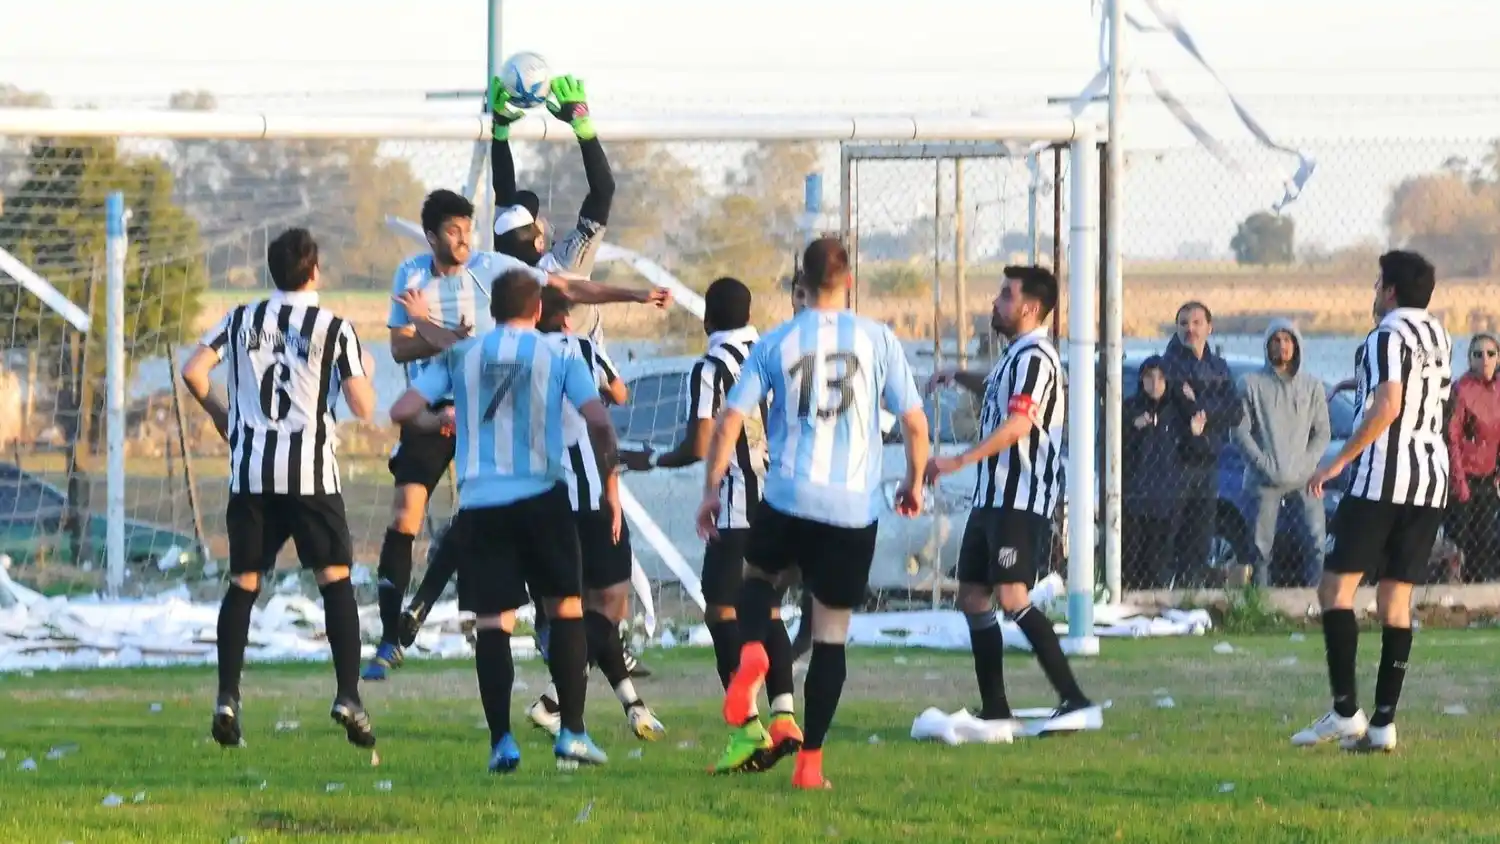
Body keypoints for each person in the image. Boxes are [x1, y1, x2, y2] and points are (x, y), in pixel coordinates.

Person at [364, 188, 666, 681]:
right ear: (431, 236)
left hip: (483, 408)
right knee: (405, 513)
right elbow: (400, 350)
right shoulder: (411, 275)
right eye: (452, 232)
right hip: (432, 408)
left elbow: (568, 288)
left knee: (489, 513)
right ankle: (389, 636)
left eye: (467, 229)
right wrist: (430, 332)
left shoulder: (492, 268)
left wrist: (633, 294)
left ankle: (529, 623)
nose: (462, 240)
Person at [696, 238, 930, 790]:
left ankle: (752, 655)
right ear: (849, 281)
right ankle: (811, 766)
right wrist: (913, 481)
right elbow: (916, 424)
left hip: (788, 496)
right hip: (851, 508)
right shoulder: (877, 339)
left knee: (758, 580)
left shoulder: (777, 341)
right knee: (830, 635)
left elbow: (731, 420)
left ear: (802, 281)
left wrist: (711, 489)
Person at [390, 268, 619, 772]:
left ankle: (502, 743)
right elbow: (599, 418)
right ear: (537, 311)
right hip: (541, 496)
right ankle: (573, 734)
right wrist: (608, 471)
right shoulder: (558, 353)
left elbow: (403, 408)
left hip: (481, 504)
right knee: (565, 611)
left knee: (494, 623)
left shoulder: (461, 354)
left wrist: (441, 420)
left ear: (492, 310)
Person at [180, 228, 378, 750]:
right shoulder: (334, 326)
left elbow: (193, 370)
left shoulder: (242, 317)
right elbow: (362, 406)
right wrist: (362, 372)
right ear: (313, 270)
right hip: (311, 474)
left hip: (251, 474)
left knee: (244, 583)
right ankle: (348, 695)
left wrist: (224, 416)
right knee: (335, 582)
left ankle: (227, 696)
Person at [622, 277, 804, 773]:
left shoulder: (711, 367)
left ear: (706, 319)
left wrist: (651, 457)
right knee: (765, 611)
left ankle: (747, 729)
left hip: (738, 505)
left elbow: (700, 444)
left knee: (721, 609)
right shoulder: (775, 352)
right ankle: (785, 716)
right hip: (785, 500)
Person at [925, 265, 1100, 743]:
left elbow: (1020, 424)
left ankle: (1075, 698)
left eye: (1006, 295)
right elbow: (1002, 393)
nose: (996, 302)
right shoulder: (1015, 357)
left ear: (1029, 307)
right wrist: (960, 375)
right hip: (992, 498)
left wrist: (958, 460)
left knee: (1011, 595)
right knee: (974, 596)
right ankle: (996, 708)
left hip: (1020, 499)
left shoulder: (1038, 358)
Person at [1300, 250, 1452, 753]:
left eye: (1376, 284)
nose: (1373, 293)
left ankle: (1346, 711)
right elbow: (1419, 395)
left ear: (1389, 291)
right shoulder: (1439, 335)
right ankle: (1384, 723)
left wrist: (1339, 460)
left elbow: (1389, 403)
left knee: (1335, 591)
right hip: (1430, 480)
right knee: (1395, 599)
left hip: (1383, 479)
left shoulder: (1385, 334)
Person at [522, 286, 667, 741]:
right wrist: (612, 491)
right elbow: (618, 396)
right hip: (588, 498)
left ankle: (633, 706)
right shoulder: (581, 347)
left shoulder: (518, 355)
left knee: (581, 612)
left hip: (539, 502)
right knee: (610, 606)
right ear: (566, 319)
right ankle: (552, 703)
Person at [1232, 320, 1331, 586]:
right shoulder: (1249, 384)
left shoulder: (1312, 386)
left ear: (1297, 345)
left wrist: (1305, 465)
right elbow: (1240, 432)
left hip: (1304, 476)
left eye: (1288, 340)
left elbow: (1322, 433)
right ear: (1267, 346)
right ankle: (1261, 603)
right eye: (1276, 340)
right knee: (1260, 548)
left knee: (1316, 541)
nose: (1282, 346)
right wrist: (1263, 464)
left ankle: (1314, 602)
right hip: (1263, 478)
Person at [1159, 302, 1244, 580]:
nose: (1190, 329)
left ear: (1209, 327)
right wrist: (1205, 406)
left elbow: (1235, 410)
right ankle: (1161, 592)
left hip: (1208, 461)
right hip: (1175, 463)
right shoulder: (1167, 364)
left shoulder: (1218, 366)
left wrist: (1202, 407)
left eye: (1196, 323)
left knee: (1200, 534)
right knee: (1170, 534)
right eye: (1183, 323)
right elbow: (1183, 405)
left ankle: (1192, 593)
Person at [1123, 356, 1209, 589]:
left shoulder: (1177, 411)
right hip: (1134, 497)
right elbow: (1115, 449)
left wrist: (1194, 433)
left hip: (1166, 497)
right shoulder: (1130, 409)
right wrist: (1133, 428)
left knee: (1159, 556)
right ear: (1141, 380)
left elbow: (1196, 453)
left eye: (1160, 378)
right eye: (1149, 377)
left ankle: (1157, 597)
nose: (1155, 383)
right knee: (1132, 555)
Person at [1444, 332, 1500, 583]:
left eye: (1490, 354)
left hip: (1489, 477)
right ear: (1469, 359)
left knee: (1486, 541)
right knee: (1459, 540)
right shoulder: (1461, 389)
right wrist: (1459, 482)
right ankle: (1453, 591)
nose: (1484, 360)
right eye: (1478, 354)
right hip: (1463, 476)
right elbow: (1451, 437)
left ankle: (1481, 593)